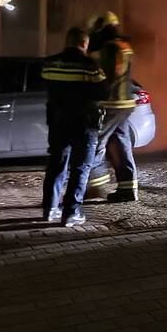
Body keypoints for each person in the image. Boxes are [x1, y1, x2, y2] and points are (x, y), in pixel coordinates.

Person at [41, 27, 107, 227]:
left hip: (58, 122)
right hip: (83, 123)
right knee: (80, 167)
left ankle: (50, 209)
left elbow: (45, 85)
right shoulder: (90, 66)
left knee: (56, 164)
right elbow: (102, 92)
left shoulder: (50, 63)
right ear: (84, 43)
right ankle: (71, 212)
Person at [89, 12, 139, 203]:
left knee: (96, 141)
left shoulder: (110, 48)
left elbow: (109, 75)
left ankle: (94, 186)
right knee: (122, 144)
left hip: (111, 104)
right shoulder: (124, 45)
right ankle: (128, 190)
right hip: (125, 104)